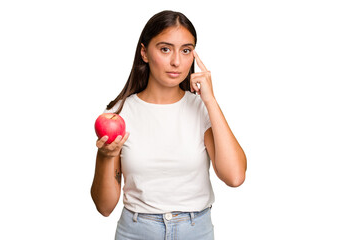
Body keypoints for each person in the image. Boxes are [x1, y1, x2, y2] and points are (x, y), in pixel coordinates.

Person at [90, 10, 247, 240]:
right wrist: (104, 156)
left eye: (186, 50)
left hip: (196, 231)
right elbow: (104, 207)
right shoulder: (119, 115)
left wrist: (210, 100)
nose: (176, 61)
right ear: (144, 52)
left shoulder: (202, 108)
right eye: (165, 49)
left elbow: (235, 177)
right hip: (136, 232)